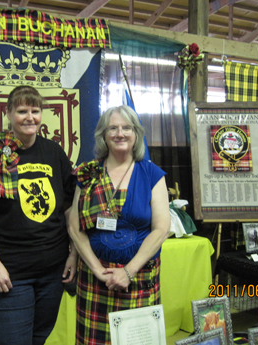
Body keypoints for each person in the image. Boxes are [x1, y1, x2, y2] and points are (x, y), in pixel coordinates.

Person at [0, 85, 77, 345]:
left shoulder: (54, 152)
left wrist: (73, 253)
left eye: (35, 111)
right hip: (7, 276)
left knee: (37, 340)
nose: (29, 117)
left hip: (51, 274)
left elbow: (69, 207)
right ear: (9, 113)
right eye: (22, 110)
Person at [68, 105, 171, 344]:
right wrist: (97, 270)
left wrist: (128, 271)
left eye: (127, 128)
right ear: (103, 135)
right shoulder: (88, 174)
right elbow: (75, 227)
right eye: (112, 128)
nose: (120, 133)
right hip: (95, 279)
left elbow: (161, 229)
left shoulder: (152, 174)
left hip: (138, 278)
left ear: (136, 134)